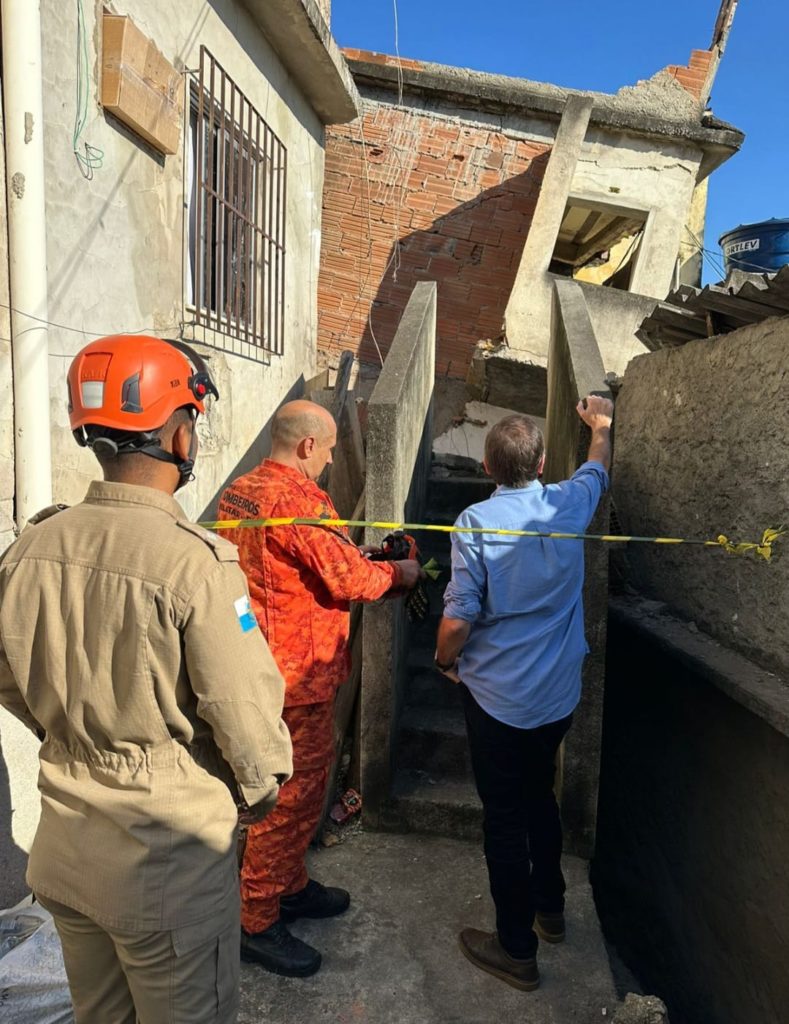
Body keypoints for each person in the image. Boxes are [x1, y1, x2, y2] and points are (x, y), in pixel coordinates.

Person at [0, 335, 293, 1024]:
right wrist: (260, 789)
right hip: (164, 865)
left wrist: (71, 729)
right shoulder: (199, 564)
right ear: (178, 433)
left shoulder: (30, 547)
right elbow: (243, 709)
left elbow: (9, 678)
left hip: (66, 853)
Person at [218, 399, 423, 977]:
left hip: (258, 663)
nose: (331, 460)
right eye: (329, 449)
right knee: (291, 797)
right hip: (298, 675)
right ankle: (255, 919)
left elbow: (312, 562)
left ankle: (290, 885)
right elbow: (347, 576)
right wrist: (400, 574)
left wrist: (361, 556)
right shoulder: (298, 499)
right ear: (308, 445)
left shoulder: (244, 490)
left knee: (288, 789)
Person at [435, 395, 614, 992]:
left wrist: (443, 659)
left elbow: (459, 617)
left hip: (499, 702)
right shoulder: (569, 500)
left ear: (488, 469)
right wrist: (600, 425)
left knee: (505, 819)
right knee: (541, 793)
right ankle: (552, 910)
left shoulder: (475, 524)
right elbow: (599, 465)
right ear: (540, 466)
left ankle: (516, 948)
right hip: (558, 697)